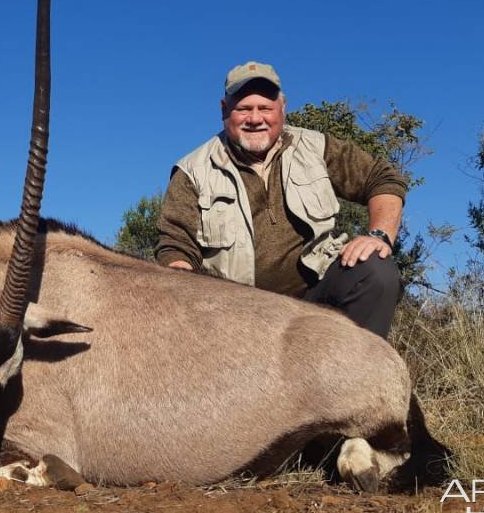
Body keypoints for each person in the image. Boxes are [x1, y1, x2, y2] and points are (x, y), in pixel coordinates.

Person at [155, 61, 408, 338]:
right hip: (236, 313)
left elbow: (381, 178)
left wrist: (380, 235)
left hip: (317, 297)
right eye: (243, 108)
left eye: (265, 108)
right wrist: (181, 284)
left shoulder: (315, 147)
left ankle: (361, 377)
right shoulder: (192, 170)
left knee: (375, 271)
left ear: (282, 109)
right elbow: (175, 244)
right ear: (224, 110)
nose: (255, 118)